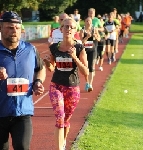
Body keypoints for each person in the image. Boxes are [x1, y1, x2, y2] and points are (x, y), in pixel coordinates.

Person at [0, 11, 46, 150]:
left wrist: (38, 82)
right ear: (1, 28)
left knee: (22, 146)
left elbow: (40, 68)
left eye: (17, 28)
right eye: (9, 27)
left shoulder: (30, 49)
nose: (14, 31)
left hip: (23, 112)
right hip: (1, 112)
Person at [44, 17, 89, 150]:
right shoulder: (54, 47)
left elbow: (86, 72)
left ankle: (62, 142)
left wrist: (74, 57)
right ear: (61, 29)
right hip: (56, 85)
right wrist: (47, 62)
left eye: (71, 27)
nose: (68, 29)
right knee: (60, 117)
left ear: (75, 30)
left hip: (72, 88)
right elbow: (51, 68)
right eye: (66, 26)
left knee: (66, 120)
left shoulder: (80, 47)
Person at [79, 16, 100, 92]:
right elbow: (81, 42)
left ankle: (89, 84)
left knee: (91, 67)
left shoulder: (94, 29)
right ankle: (87, 81)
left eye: (90, 21)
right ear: (85, 22)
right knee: (85, 67)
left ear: (92, 22)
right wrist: (87, 37)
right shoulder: (82, 30)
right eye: (87, 21)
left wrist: (95, 36)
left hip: (93, 50)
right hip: (84, 51)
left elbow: (99, 39)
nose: (88, 22)